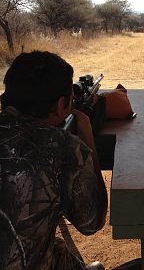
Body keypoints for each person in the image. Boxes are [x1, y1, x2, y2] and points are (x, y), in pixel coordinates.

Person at [0, 51, 108, 270]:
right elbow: (92, 222)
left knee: (56, 246)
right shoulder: (63, 146)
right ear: (60, 105)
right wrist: (86, 138)